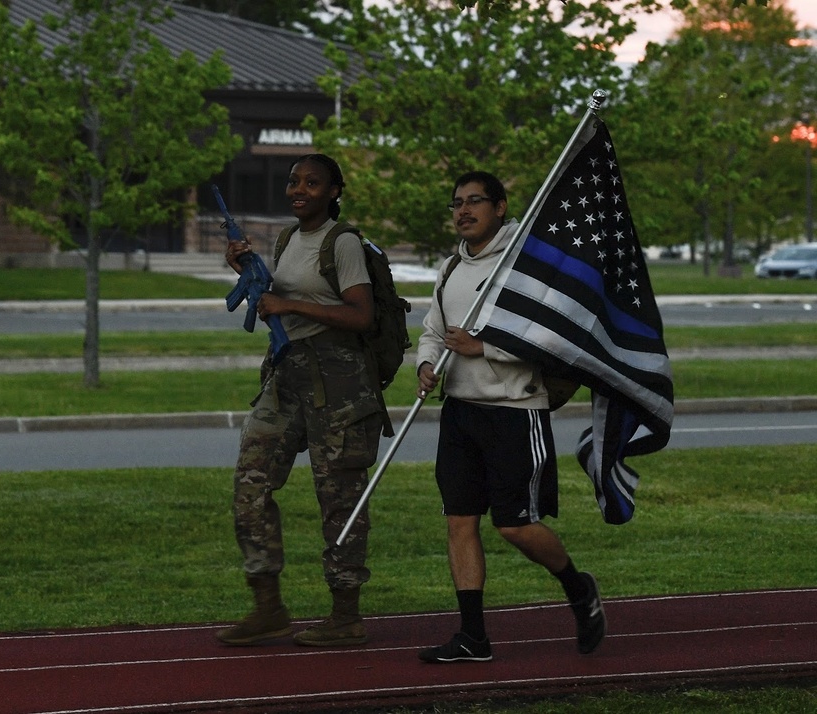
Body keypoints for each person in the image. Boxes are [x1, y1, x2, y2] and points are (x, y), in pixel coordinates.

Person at [415, 170, 606, 663]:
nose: (463, 210)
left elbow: (551, 337)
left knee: (516, 526)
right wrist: (426, 364)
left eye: (474, 201)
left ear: (500, 207)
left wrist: (484, 348)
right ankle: (473, 636)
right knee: (460, 521)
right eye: (456, 202)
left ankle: (578, 586)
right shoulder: (450, 269)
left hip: (514, 412)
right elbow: (434, 330)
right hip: (460, 413)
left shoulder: (526, 266)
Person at [216, 154, 385, 648]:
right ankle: (268, 607)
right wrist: (247, 269)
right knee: (251, 483)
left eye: (312, 183)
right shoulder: (288, 238)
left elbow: (361, 316)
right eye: (294, 181)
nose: (299, 189)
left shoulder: (344, 242)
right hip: (287, 376)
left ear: (334, 191)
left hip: (339, 385)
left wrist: (288, 304)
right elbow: (276, 297)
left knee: (340, 499)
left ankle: (345, 615)